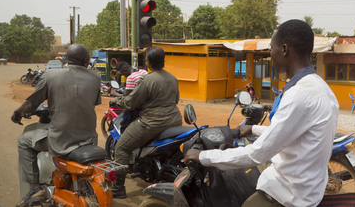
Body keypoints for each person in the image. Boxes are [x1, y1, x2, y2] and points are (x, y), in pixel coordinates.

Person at [183, 19, 339, 207]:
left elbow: (256, 154)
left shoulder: (299, 95)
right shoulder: (321, 88)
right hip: (307, 188)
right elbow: (291, 136)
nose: (270, 54)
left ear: (284, 49)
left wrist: (203, 157)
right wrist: (254, 129)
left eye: (271, 48)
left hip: (288, 195)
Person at [11, 44, 102, 206]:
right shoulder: (95, 78)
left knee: (24, 141)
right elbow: (89, 103)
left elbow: (31, 103)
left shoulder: (50, 76)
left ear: (66, 58)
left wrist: (17, 113)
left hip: (61, 141)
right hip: (89, 139)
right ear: (87, 60)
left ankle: (33, 187)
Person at [111, 46, 182, 199]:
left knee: (122, 148)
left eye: (146, 59)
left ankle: (118, 188)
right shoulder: (172, 78)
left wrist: (117, 100)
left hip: (152, 122)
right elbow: (175, 100)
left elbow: (131, 102)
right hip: (175, 120)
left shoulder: (148, 79)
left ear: (148, 62)